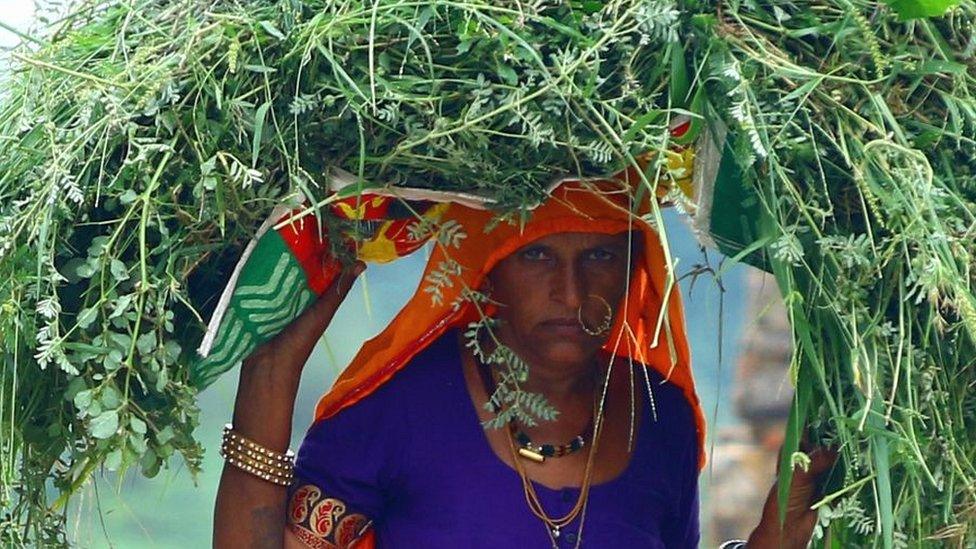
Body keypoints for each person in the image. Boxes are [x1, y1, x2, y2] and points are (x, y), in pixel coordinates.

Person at [212, 180, 836, 548]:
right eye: (538, 258)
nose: (571, 292)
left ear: (635, 269)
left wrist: (781, 527)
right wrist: (273, 373)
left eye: (598, 257)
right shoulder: (400, 409)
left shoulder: (659, 415)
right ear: (486, 271)